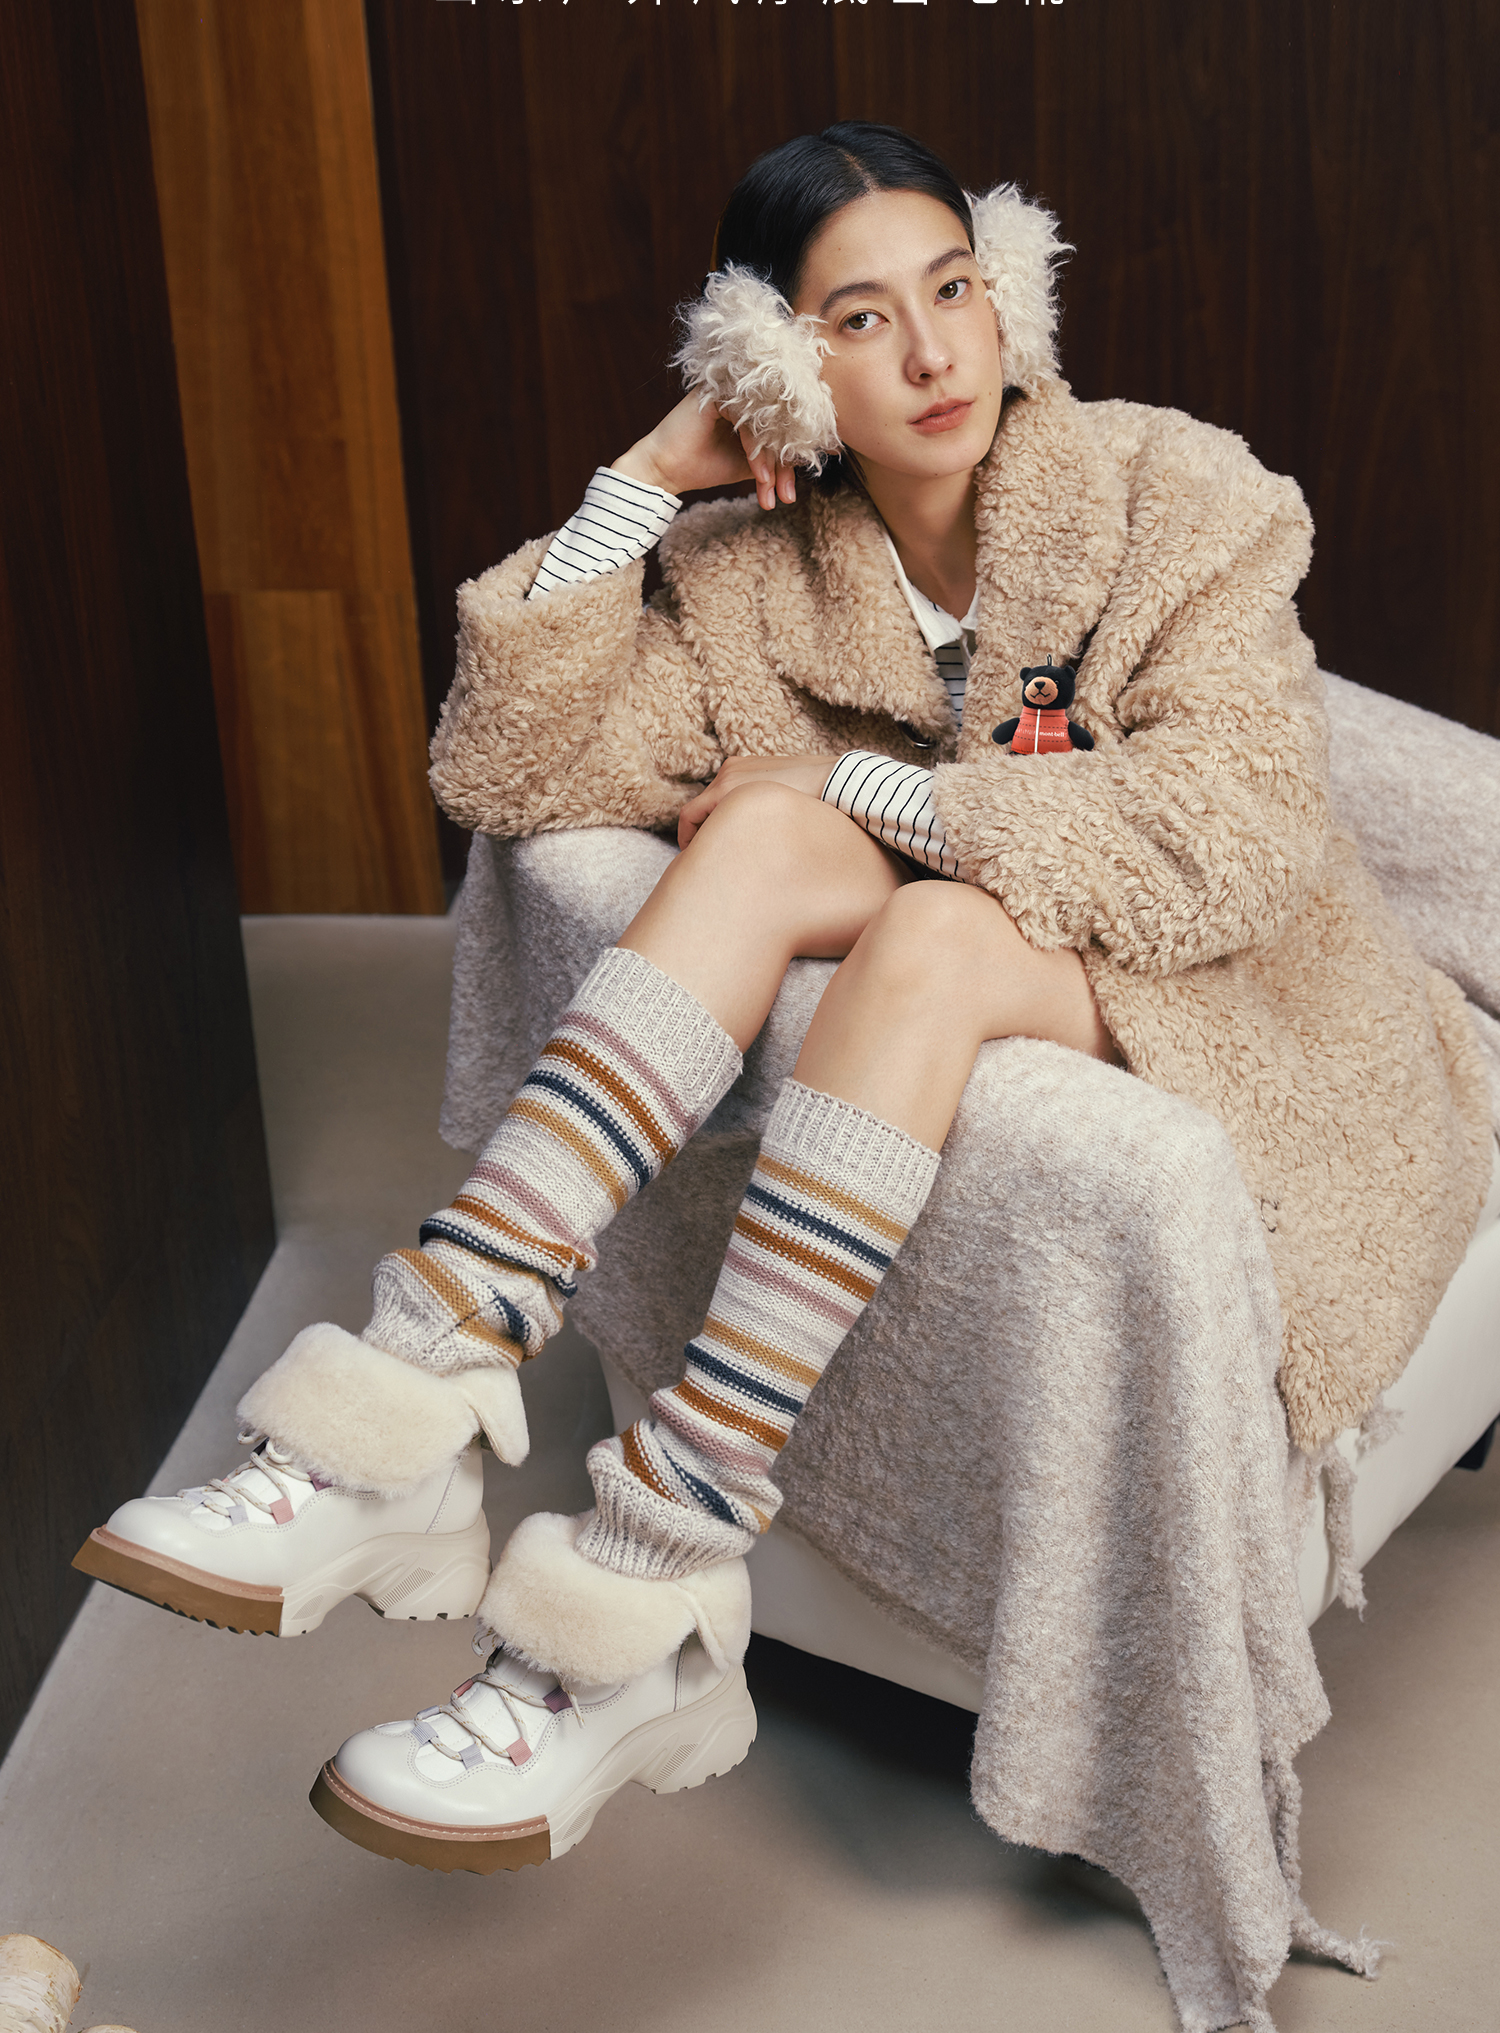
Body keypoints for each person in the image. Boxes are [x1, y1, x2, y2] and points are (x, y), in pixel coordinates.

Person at [76, 123, 1492, 1880]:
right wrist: (641, 482)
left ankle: (663, 1548)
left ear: (1010, 291)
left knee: (906, 914)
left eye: (956, 289)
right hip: (989, 909)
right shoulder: (755, 568)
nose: (934, 353)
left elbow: (1235, 835)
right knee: (755, 843)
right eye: (859, 319)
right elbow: (516, 764)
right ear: (776, 362)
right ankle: (425, 1375)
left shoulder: (1173, 489)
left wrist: (862, 790)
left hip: (1252, 994)